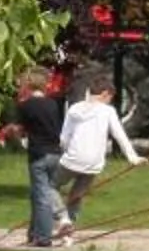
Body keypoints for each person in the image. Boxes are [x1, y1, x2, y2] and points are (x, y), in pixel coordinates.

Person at [53, 71, 140, 229]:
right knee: (77, 195)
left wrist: (65, 151)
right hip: (94, 163)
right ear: (105, 94)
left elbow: (64, 138)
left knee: (50, 186)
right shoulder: (108, 112)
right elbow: (119, 135)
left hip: (73, 158)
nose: (110, 102)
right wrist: (133, 157)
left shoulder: (75, 109)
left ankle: (62, 218)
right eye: (110, 98)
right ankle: (69, 227)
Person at [8, 68, 68, 249]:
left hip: (39, 153)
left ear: (28, 84)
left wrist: (13, 134)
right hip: (55, 152)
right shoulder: (53, 104)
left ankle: (43, 237)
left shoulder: (26, 105)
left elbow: (20, 129)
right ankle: (33, 233)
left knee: (42, 196)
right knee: (39, 193)